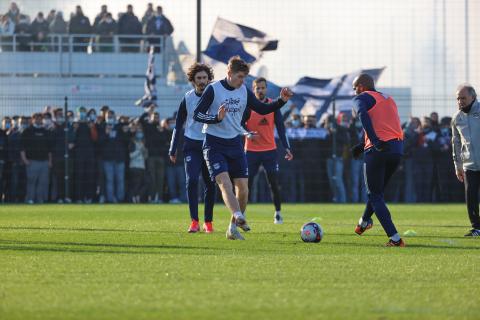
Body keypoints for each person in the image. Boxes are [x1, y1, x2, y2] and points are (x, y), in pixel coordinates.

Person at [193, 56, 293, 240]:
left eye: (245, 78)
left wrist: (281, 101)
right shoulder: (213, 89)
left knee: (244, 190)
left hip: (235, 143)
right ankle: (239, 216)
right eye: (239, 77)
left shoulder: (244, 91)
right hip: (214, 143)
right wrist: (216, 118)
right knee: (225, 183)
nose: (242, 81)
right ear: (229, 73)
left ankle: (232, 228)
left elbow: (263, 110)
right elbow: (197, 114)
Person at [350, 73, 405, 247]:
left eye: (355, 87)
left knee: (374, 195)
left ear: (362, 85)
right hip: (396, 150)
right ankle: (364, 222)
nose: (354, 92)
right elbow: (385, 125)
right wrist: (362, 143)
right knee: (377, 193)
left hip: (377, 150)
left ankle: (395, 239)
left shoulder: (362, 97)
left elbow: (363, 115)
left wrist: (373, 141)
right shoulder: (388, 99)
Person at [169, 63, 217, 233]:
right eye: (199, 78)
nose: (202, 81)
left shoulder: (215, 96)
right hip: (192, 145)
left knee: (211, 184)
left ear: (208, 79)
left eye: (205, 78)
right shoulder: (187, 98)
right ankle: (194, 221)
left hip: (210, 144)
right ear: (193, 80)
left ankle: (208, 222)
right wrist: (173, 148)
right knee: (192, 181)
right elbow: (178, 124)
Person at [242, 77, 293, 224]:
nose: (260, 90)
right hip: (250, 151)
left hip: (269, 151)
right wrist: (247, 133)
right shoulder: (248, 106)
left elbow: (281, 128)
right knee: (246, 184)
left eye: (262, 87)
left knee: (273, 184)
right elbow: (240, 124)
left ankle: (277, 213)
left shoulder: (273, 105)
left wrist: (287, 148)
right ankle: (242, 213)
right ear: (253, 89)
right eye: (257, 88)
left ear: (266, 89)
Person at [451, 84, 480, 237]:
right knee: (471, 196)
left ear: (473, 97)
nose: (460, 101)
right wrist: (458, 165)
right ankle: (477, 227)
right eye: (458, 98)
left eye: (463, 98)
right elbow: (455, 143)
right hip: (469, 164)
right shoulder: (457, 118)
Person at [20, 113, 52, 204]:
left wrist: (49, 161)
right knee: (31, 182)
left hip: (44, 162)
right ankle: (30, 199)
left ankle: (40, 199)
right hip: (32, 161)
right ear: (33, 119)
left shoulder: (46, 132)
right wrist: (25, 160)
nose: (39, 120)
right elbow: (22, 147)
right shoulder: (27, 131)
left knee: (42, 182)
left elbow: (49, 149)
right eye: (36, 118)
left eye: (40, 118)